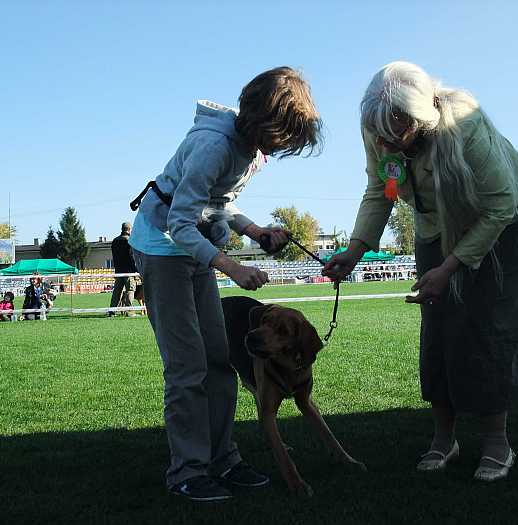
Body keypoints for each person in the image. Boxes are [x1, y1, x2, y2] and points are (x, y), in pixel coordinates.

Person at [323, 62, 518, 482]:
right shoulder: (378, 128)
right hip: (435, 224)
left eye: (395, 132)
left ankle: (497, 441)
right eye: (378, 133)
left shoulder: (466, 127)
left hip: (506, 219)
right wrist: (355, 250)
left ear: (420, 120)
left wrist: (451, 266)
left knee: (490, 322)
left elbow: (499, 205)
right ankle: (445, 437)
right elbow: (382, 189)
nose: (384, 141)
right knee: (438, 322)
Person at [129, 66, 322, 501]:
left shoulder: (249, 151)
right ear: (266, 122)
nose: (285, 145)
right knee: (187, 367)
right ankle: (187, 470)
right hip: (162, 250)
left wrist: (257, 233)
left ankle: (223, 459)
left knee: (219, 360)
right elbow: (179, 222)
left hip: (193, 249)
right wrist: (231, 267)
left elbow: (221, 203)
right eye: (284, 134)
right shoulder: (212, 146)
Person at [109, 222, 137, 317]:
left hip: (118, 271)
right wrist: (136, 269)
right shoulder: (130, 241)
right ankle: (129, 311)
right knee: (130, 290)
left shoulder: (115, 241)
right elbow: (132, 257)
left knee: (117, 291)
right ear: (129, 230)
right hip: (129, 271)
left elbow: (114, 257)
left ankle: (112, 312)